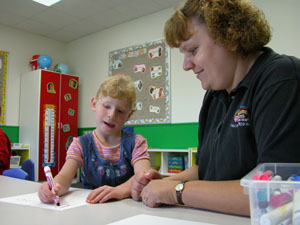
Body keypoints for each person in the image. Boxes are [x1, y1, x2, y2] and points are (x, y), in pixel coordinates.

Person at [131, 0, 300, 216]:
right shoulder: (214, 96)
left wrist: (176, 190)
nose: (186, 65)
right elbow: (205, 169)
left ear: (229, 35)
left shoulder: (281, 78)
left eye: (192, 50)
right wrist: (158, 184)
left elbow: (278, 193)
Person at [39, 74, 150, 204]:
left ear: (129, 115)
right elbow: (64, 177)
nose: (111, 115)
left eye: (120, 111)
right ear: (94, 104)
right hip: (91, 208)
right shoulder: (80, 144)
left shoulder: (136, 142)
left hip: (128, 209)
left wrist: (120, 191)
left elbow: (143, 176)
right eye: (107, 106)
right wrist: (52, 187)